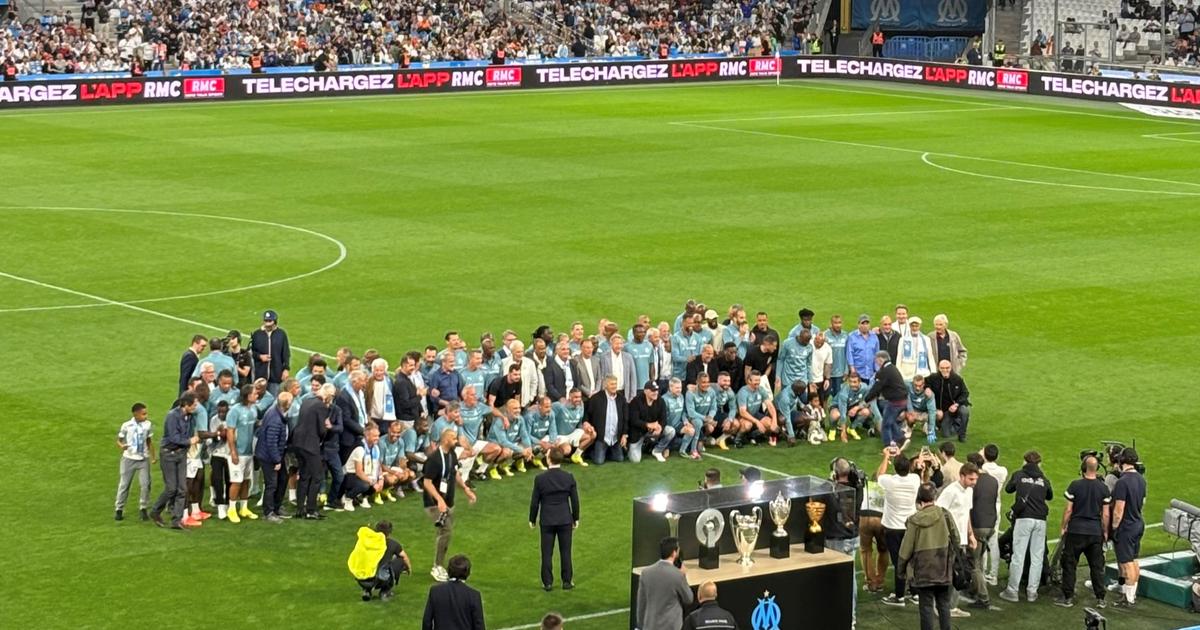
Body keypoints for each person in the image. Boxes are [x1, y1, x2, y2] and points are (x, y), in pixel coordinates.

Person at [898, 483, 958, 630]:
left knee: (926, 606)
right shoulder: (945, 514)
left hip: (923, 569)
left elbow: (906, 549)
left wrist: (901, 570)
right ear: (934, 496)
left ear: (919, 499)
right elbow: (956, 538)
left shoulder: (914, 520)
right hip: (943, 567)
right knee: (944, 604)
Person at [1055, 453, 1110, 609]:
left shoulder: (1075, 485)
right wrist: (1105, 531)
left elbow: (1068, 510)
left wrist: (1063, 526)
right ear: (1097, 468)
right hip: (1095, 532)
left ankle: (1068, 598)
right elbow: (1106, 514)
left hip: (1076, 531)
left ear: (1083, 468)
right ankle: (1100, 598)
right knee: (1097, 566)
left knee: (1069, 564)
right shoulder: (1103, 488)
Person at [424, 429, 478, 582]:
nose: (456, 441)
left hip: (448, 501)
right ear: (446, 439)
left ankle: (439, 564)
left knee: (445, 533)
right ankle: (437, 566)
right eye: (453, 438)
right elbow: (427, 482)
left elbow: (455, 474)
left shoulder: (451, 455)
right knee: (445, 531)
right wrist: (439, 500)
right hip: (434, 503)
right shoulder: (434, 459)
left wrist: (466, 489)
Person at [999, 450, 1053, 603]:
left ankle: (1012, 591)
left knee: (1018, 555)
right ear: (1039, 464)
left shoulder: (1018, 475)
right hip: (1040, 520)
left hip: (1023, 519)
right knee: (1037, 557)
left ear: (1025, 462)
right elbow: (1050, 496)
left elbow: (1009, 489)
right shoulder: (1044, 479)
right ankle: (1032, 592)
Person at [530, 449, 580, 590]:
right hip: (565, 519)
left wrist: (532, 519)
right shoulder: (568, 477)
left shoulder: (540, 479)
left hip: (547, 520)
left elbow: (535, 502)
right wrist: (575, 518)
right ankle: (567, 581)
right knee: (566, 552)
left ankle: (547, 583)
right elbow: (575, 500)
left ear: (549, 459)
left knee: (546, 553)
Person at [935, 462, 979, 619]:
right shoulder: (950, 491)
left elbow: (966, 514)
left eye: (975, 479)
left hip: (962, 540)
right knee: (947, 574)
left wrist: (971, 534)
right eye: (971, 479)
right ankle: (942, 606)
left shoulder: (969, 491)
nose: (974, 482)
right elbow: (939, 513)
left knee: (959, 573)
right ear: (962, 476)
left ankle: (951, 607)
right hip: (950, 540)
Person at [877, 448, 920, 606]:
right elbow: (916, 472)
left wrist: (886, 457)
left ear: (895, 469)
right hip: (910, 527)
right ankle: (915, 593)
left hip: (893, 528)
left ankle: (899, 596)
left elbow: (879, 475)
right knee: (911, 559)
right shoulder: (915, 479)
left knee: (899, 562)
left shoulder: (889, 481)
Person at [151, 393, 200, 529]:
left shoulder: (190, 416)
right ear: (186, 405)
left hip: (181, 454)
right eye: (194, 405)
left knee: (182, 489)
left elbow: (189, 432)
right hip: (169, 454)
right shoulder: (172, 416)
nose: (195, 407)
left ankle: (176, 521)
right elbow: (173, 437)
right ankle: (155, 511)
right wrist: (189, 441)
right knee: (171, 488)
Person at [827, 458, 863, 627]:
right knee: (850, 578)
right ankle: (851, 619)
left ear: (834, 473)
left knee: (834, 580)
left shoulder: (831, 491)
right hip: (852, 538)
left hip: (836, 540)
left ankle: (837, 616)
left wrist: (830, 482)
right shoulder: (858, 488)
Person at [1111, 447, 1147, 609]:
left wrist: (1114, 527)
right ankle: (1131, 594)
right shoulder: (1141, 479)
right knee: (1134, 560)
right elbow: (1142, 502)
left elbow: (1119, 510)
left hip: (1126, 526)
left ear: (1121, 461)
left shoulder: (1122, 482)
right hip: (1138, 523)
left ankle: (1129, 599)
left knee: (1126, 563)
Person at [293, 384, 334, 520]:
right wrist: (328, 427)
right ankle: (311, 509)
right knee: (317, 477)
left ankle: (300, 509)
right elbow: (322, 430)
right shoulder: (321, 406)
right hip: (310, 445)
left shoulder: (307, 401)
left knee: (304, 476)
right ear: (328, 395)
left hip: (298, 442)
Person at [636, 537, 693, 630]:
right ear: (674, 553)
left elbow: (641, 604)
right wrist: (683, 576)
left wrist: (642, 625)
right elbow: (689, 599)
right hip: (671, 627)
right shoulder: (677, 575)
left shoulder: (646, 573)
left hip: (650, 626)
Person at [350, 520, 410, 602]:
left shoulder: (366, 541)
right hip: (380, 579)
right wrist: (408, 569)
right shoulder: (392, 543)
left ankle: (367, 591)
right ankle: (384, 592)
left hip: (361, 578)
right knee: (400, 560)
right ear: (389, 532)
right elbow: (404, 557)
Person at [224, 384, 260, 523]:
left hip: (249, 451)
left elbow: (253, 424)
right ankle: (231, 509)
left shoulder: (253, 409)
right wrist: (233, 451)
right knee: (236, 481)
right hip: (238, 452)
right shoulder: (235, 411)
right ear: (248, 395)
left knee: (246, 480)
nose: (257, 395)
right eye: (254, 393)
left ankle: (243, 508)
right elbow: (230, 432)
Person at [965, 453, 996, 609]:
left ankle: (983, 597)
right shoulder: (992, 480)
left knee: (974, 563)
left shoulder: (974, 483)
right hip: (990, 524)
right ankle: (974, 588)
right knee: (978, 558)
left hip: (978, 524)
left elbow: (969, 505)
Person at [422, 554, 485, 629]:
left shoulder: (435, 591)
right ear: (468, 573)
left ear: (448, 570)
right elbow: (479, 626)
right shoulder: (474, 595)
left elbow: (427, 621)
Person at [115, 402, 155, 521]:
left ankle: (143, 508)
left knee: (145, 484)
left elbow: (149, 441)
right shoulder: (126, 425)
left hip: (143, 459)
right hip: (129, 459)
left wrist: (153, 456)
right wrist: (122, 446)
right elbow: (119, 440)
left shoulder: (148, 425)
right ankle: (119, 508)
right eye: (143, 414)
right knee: (124, 484)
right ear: (136, 414)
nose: (146, 416)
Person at [255, 391, 292, 522]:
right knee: (271, 484)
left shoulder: (276, 412)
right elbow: (271, 442)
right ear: (287, 405)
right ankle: (268, 512)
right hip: (269, 456)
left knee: (283, 478)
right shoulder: (275, 419)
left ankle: (276, 507)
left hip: (275, 454)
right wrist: (277, 460)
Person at [864, 351, 907, 448]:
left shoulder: (884, 371)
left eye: (876, 361)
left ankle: (888, 446)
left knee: (885, 425)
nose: (876, 363)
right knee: (890, 421)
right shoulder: (893, 368)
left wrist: (866, 400)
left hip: (895, 401)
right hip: (902, 400)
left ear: (880, 359)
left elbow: (876, 388)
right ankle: (901, 439)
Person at [980, 444, 1008, 585]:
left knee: (982, 539)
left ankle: (983, 572)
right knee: (993, 540)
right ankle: (994, 575)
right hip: (996, 505)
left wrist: (981, 455)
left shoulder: (982, 469)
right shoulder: (1003, 471)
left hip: (984, 507)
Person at [627, 381, 675, 463]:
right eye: (653, 391)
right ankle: (642, 447)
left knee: (671, 431)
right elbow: (634, 420)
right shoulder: (636, 401)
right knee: (635, 460)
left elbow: (663, 419)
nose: (655, 392)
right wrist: (648, 425)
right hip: (638, 433)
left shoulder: (660, 401)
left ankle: (657, 450)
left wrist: (660, 427)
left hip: (653, 431)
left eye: (656, 390)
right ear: (645, 391)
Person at [584, 375, 628, 465]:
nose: (614, 386)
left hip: (615, 438)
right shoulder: (596, 398)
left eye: (615, 384)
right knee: (599, 461)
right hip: (602, 437)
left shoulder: (622, 399)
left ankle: (606, 452)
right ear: (605, 385)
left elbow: (626, 418)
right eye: (612, 384)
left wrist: (624, 435)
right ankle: (591, 452)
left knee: (619, 458)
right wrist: (586, 423)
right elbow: (587, 413)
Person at [926, 360, 971, 442]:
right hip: (944, 411)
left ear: (951, 368)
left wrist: (956, 404)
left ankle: (962, 434)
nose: (945, 370)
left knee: (965, 411)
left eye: (947, 368)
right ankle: (952, 422)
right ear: (939, 368)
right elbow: (925, 382)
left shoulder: (957, 379)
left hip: (955, 406)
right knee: (946, 434)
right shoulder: (933, 378)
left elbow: (965, 393)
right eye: (942, 368)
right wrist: (927, 388)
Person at [250, 309, 290, 395]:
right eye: (266, 321)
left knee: (274, 398)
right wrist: (260, 356)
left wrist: (286, 369)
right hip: (260, 375)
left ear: (275, 322)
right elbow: (251, 352)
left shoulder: (281, 334)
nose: (267, 323)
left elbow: (286, 353)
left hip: (275, 375)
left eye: (269, 321)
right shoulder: (257, 334)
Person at [847, 314, 879, 384]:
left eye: (867, 323)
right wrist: (853, 371)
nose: (865, 326)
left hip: (871, 373)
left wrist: (877, 371)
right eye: (863, 323)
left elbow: (877, 354)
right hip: (858, 374)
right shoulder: (852, 337)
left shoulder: (874, 337)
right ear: (858, 325)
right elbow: (850, 355)